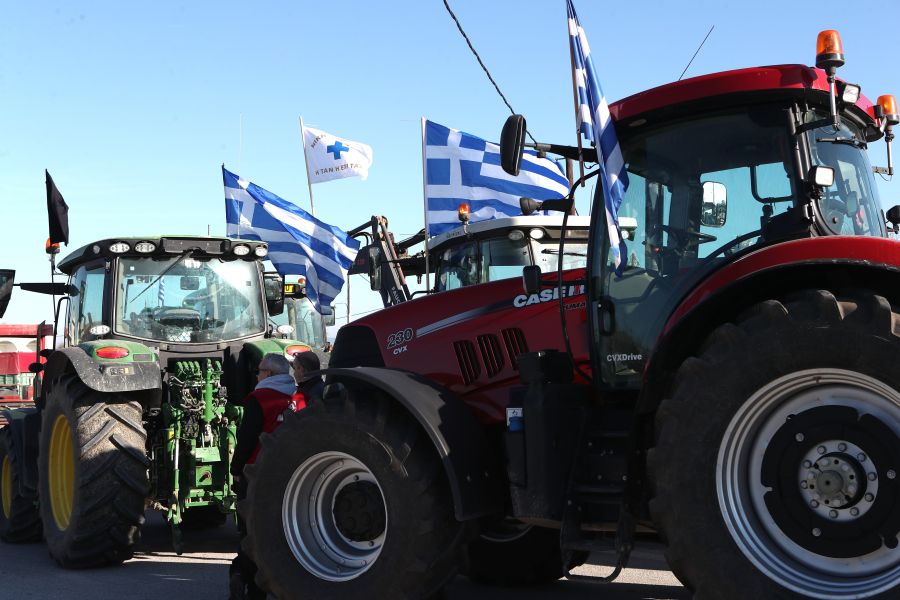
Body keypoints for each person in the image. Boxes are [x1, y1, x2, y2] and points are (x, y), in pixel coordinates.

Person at [229, 353, 301, 600]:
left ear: (268, 374)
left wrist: (236, 470)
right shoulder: (299, 398)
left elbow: (247, 439)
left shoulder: (259, 399)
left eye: (258, 371)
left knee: (250, 532)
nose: (257, 375)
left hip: (257, 474)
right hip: (293, 474)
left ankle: (247, 582)